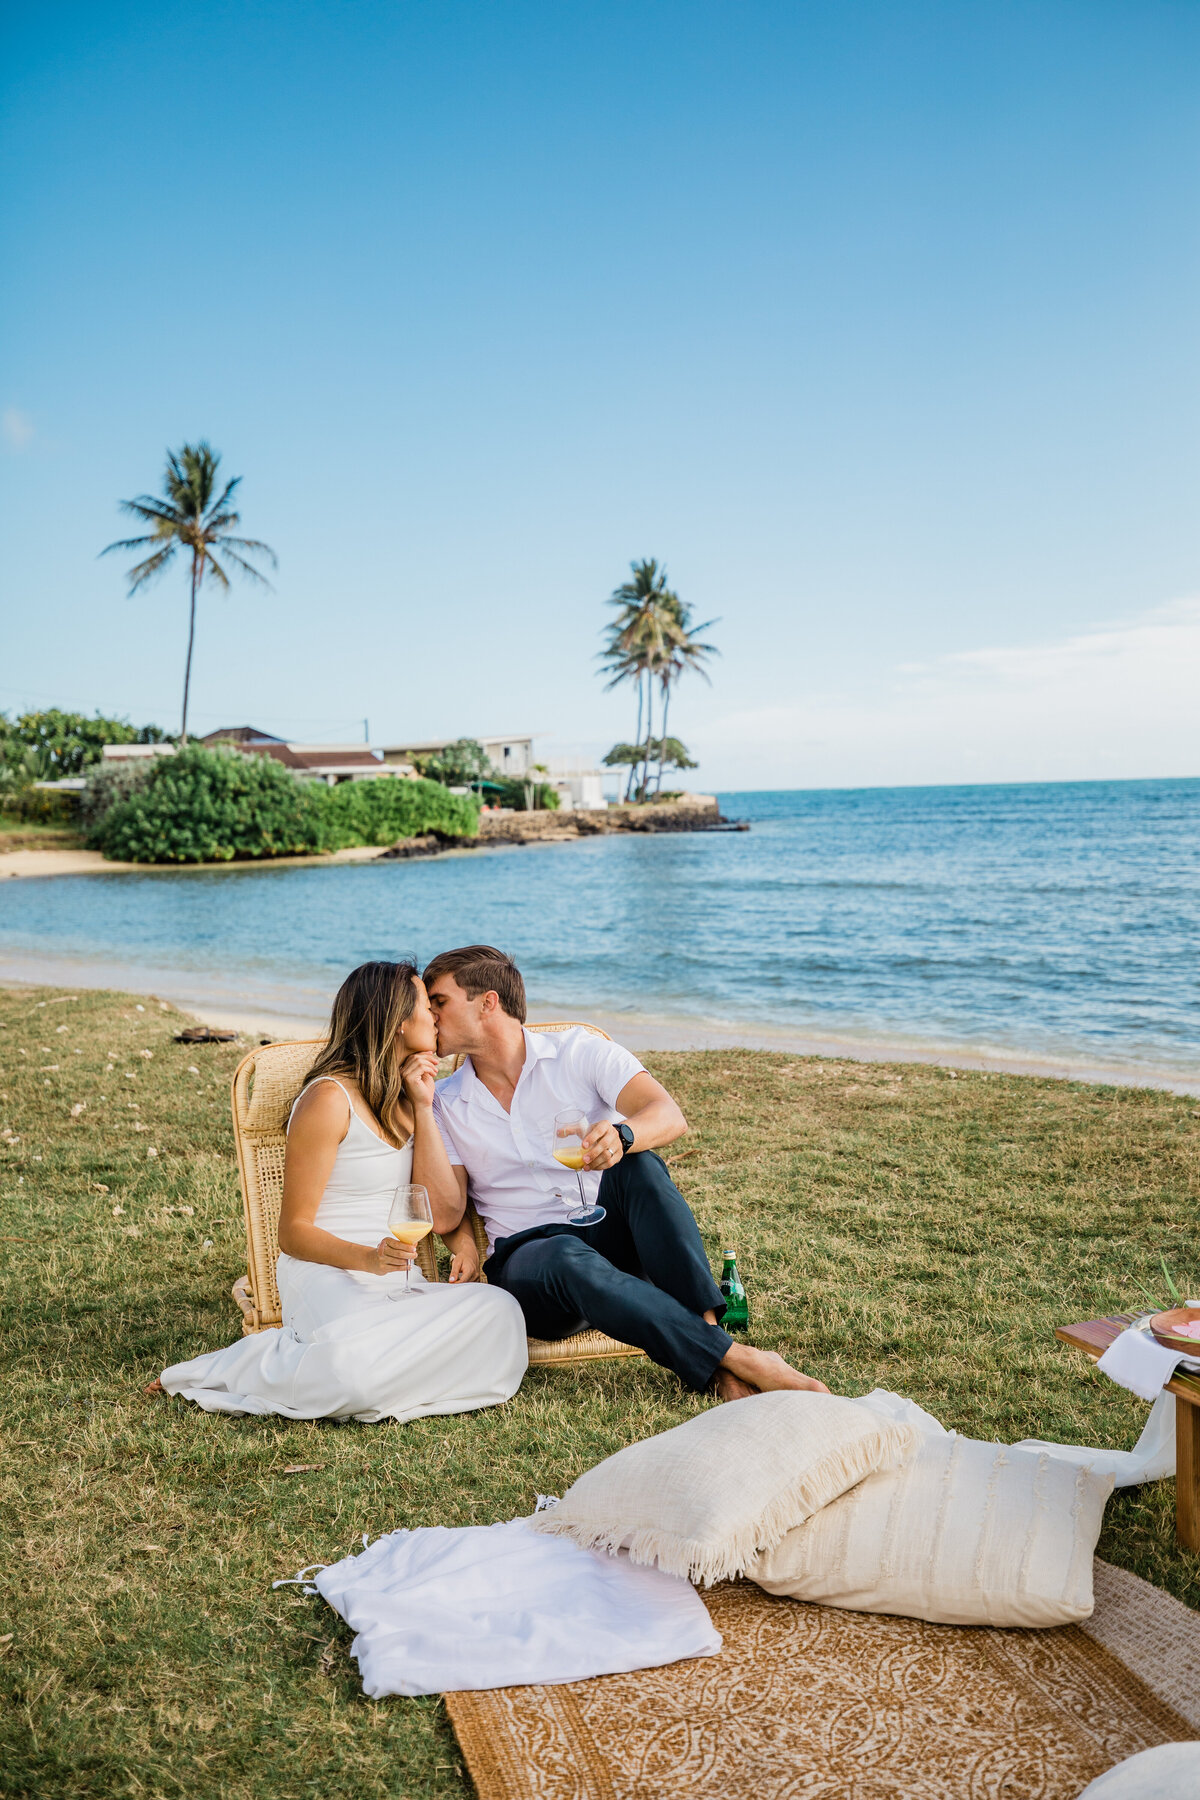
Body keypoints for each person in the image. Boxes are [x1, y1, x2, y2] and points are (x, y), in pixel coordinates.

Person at [422, 945, 829, 1403]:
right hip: (533, 1266)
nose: (429, 1015)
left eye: (438, 1002)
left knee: (640, 1163)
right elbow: (446, 1214)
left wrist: (624, 1136)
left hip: (610, 1237)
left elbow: (668, 1115)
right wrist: (418, 1104)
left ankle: (711, 1351)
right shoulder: (442, 1102)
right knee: (562, 1255)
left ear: (488, 1002)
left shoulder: (578, 1050)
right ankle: (738, 1358)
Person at [156, 961, 528, 1422]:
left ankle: (370, 1384)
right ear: (394, 1021)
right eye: (423, 1006)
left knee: (501, 1312)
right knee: (350, 1369)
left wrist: (425, 1107)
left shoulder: (409, 1101)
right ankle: (251, 1362)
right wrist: (369, 1259)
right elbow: (292, 1233)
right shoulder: (329, 1099)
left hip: (396, 1281)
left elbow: (437, 1205)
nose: (434, 1016)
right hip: (327, 1272)